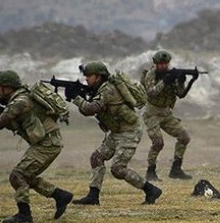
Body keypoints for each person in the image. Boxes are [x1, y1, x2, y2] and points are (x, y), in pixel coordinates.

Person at [0, 70, 73, 223]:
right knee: (26, 176)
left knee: (17, 176)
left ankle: (24, 215)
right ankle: (60, 196)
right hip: (48, 142)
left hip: (47, 144)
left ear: (9, 87)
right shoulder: (20, 98)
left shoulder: (19, 101)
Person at [69, 62, 162, 205]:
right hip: (117, 131)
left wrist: (76, 98)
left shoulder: (108, 90)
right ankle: (93, 197)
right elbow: (89, 111)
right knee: (97, 158)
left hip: (129, 132)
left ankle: (151, 190)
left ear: (99, 76)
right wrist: (80, 97)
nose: (86, 79)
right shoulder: (100, 89)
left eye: (89, 76)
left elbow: (91, 108)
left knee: (118, 169)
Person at [141, 50, 193, 181]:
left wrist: (182, 82)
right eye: (161, 64)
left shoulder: (171, 74)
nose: (163, 66)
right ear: (156, 64)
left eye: (165, 64)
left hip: (166, 113)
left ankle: (176, 169)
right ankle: (150, 171)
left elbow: (180, 94)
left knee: (184, 137)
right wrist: (165, 81)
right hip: (152, 113)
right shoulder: (150, 75)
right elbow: (152, 92)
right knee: (158, 143)